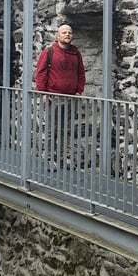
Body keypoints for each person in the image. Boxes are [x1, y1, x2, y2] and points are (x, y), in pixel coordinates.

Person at [35, 24, 86, 168]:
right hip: (54, 97)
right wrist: (43, 92)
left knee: (68, 129)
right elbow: (40, 73)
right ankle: (50, 159)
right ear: (58, 36)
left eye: (70, 32)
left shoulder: (76, 53)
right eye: (64, 32)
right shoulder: (49, 52)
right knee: (52, 130)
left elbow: (81, 73)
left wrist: (79, 91)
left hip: (71, 98)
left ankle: (66, 158)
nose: (67, 35)